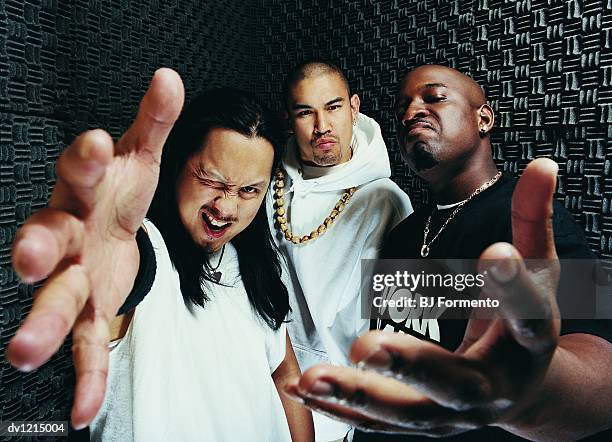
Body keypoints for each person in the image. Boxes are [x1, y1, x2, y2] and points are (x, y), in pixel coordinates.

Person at [284, 65, 612, 440]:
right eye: (402, 108)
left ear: (483, 118)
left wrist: (531, 396)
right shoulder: (404, 231)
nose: (410, 113)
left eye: (434, 97)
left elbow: (602, 371)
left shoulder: (527, 220)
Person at [8, 70, 314, 441]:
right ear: (179, 164)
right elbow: (125, 268)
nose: (227, 207)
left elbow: (284, 375)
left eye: (249, 190)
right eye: (212, 180)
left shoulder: (255, 267)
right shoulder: (146, 247)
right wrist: (100, 249)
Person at [267, 61, 413, 441]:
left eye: (333, 108)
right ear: (289, 119)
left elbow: (408, 314)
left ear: (354, 108)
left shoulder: (386, 202)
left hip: (338, 396)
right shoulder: (263, 182)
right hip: (262, 378)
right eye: (305, 112)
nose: (322, 126)